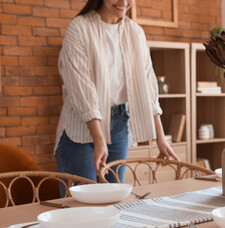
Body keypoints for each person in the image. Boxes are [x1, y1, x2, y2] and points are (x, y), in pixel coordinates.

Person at [54, 0, 179, 189]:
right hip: (80, 131)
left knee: (114, 200)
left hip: (119, 125)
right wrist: (99, 139)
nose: (124, 3)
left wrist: (161, 138)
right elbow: (81, 88)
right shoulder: (79, 28)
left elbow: (148, 84)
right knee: (82, 206)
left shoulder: (135, 32)